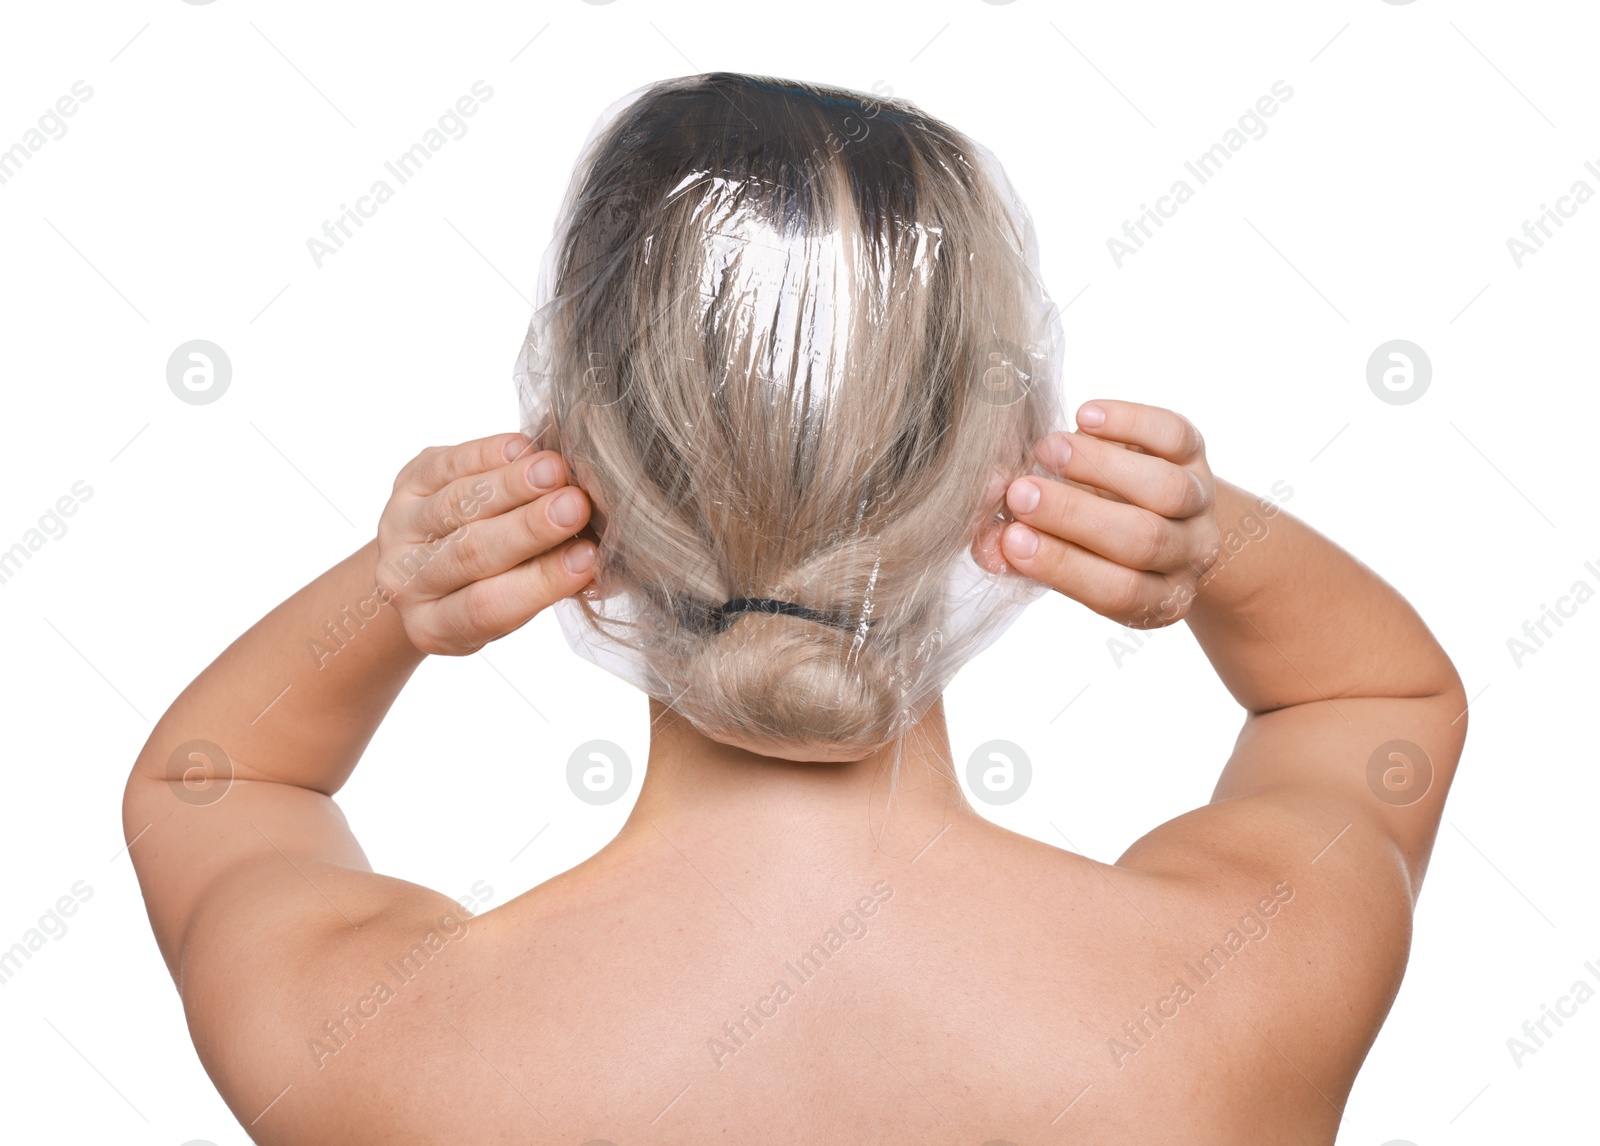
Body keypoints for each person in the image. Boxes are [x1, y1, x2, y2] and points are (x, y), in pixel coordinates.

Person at [124, 74, 1466, 1144]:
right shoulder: (1221, 1006)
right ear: (1005, 462)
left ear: (578, 459)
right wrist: (1206, 533)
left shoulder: (388, 1049)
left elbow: (210, 784)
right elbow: (1374, 699)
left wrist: (399, 581)